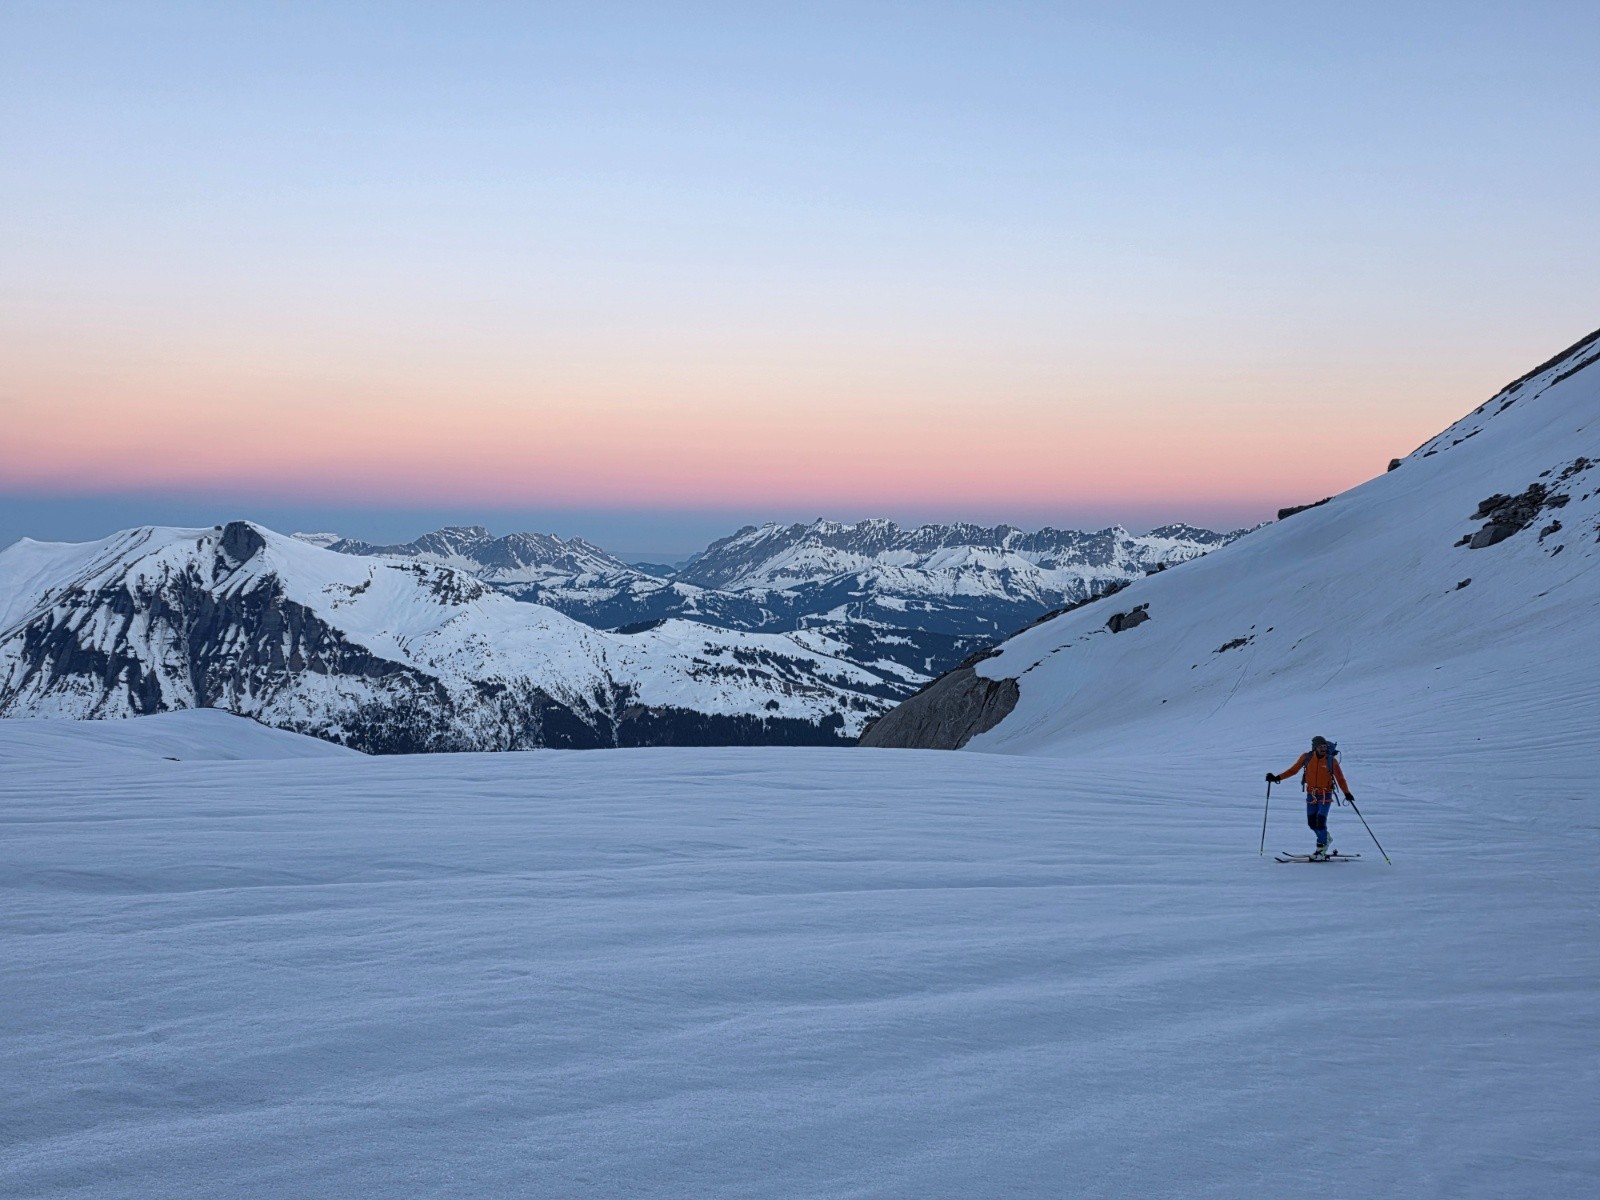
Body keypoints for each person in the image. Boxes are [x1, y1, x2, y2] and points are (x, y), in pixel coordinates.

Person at [1267, 735, 1353, 858]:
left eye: (1324, 746)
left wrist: (1347, 793)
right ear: (1315, 747)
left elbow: (1340, 778)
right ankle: (1325, 837)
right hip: (1311, 794)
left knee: (1320, 821)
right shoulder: (1306, 757)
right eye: (1320, 747)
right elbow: (1293, 770)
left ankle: (1321, 848)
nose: (1323, 749)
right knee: (1312, 823)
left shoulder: (1331, 760)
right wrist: (1276, 778)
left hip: (1325, 794)